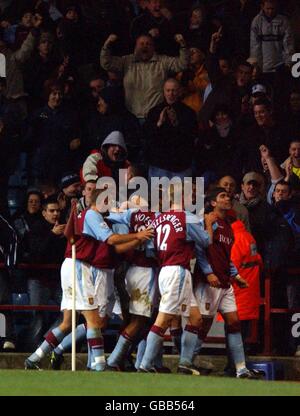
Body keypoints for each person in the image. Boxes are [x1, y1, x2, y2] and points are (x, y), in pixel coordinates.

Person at [24, 188, 153, 370]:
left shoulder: (94, 216)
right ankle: (99, 365)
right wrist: (138, 236)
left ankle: (34, 358)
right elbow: (110, 239)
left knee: (68, 323)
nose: (110, 204)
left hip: (75, 265)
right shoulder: (92, 215)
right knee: (93, 319)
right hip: (80, 267)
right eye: (108, 200)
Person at [138, 184, 211, 373]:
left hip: (165, 270)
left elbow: (150, 249)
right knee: (163, 320)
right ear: (184, 197)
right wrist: (208, 224)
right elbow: (205, 241)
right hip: (178, 271)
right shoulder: (188, 217)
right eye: (191, 195)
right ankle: (145, 366)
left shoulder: (158, 219)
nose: (193, 199)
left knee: (195, 319)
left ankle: (185, 364)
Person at [193, 187, 261, 379]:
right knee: (202, 324)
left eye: (228, 196)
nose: (227, 198)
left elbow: (226, 256)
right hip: (210, 282)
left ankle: (241, 369)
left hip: (224, 282)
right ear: (213, 202)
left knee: (234, 323)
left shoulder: (228, 227)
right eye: (222, 196)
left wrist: (236, 275)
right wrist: (208, 273)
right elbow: (200, 249)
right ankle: (187, 362)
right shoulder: (208, 221)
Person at [100, 32, 189, 121]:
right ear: (135, 46)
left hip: (156, 116)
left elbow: (182, 64)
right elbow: (106, 64)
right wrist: (107, 45)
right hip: (132, 116)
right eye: (141, 44)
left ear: (153, 47)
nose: (144, 46)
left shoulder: (163, 61)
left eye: (148, 44)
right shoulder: (126, 61)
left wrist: (183, 46)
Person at [144, 78, 198, 179]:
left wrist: (176, 123)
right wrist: (159, 123)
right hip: (159, 165)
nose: (170, 94)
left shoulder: (188, 113)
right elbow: (148, 136)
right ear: (163, 92)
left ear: (179, 92)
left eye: (174, 90)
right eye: (168, 90)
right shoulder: (154, 112)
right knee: (157, 195)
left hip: (181, 167)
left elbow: (191, 137)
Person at [250, 0, 294, 75]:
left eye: (272, 8)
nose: (270, 11)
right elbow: (254, 46)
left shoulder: (284, 21)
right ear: (262, 6)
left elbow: (288, 44)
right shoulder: (256, 21)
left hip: (280, 66)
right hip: (263, 67)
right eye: (268, 8)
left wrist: (289, 63)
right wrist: (255, 65)